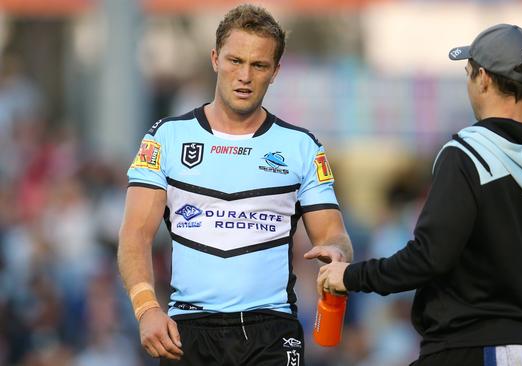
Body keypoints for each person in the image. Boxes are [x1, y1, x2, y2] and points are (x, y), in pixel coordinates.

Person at [317, 24, 522, 366]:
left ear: (483, 78)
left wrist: (350, 276)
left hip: (465, 348)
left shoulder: (467, 154)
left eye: (469, 73)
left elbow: (430, 257)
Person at [117, 4, 353, 365]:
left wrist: (338, 254)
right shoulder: (166, 137)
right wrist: (147, 309)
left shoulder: (301, 146)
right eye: (234, 61)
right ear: (215, 59)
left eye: (258, 65)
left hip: (271, 329)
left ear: (275, 72)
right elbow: (135, 234)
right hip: (189, 329)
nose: (244, 75)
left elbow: (333, 235)